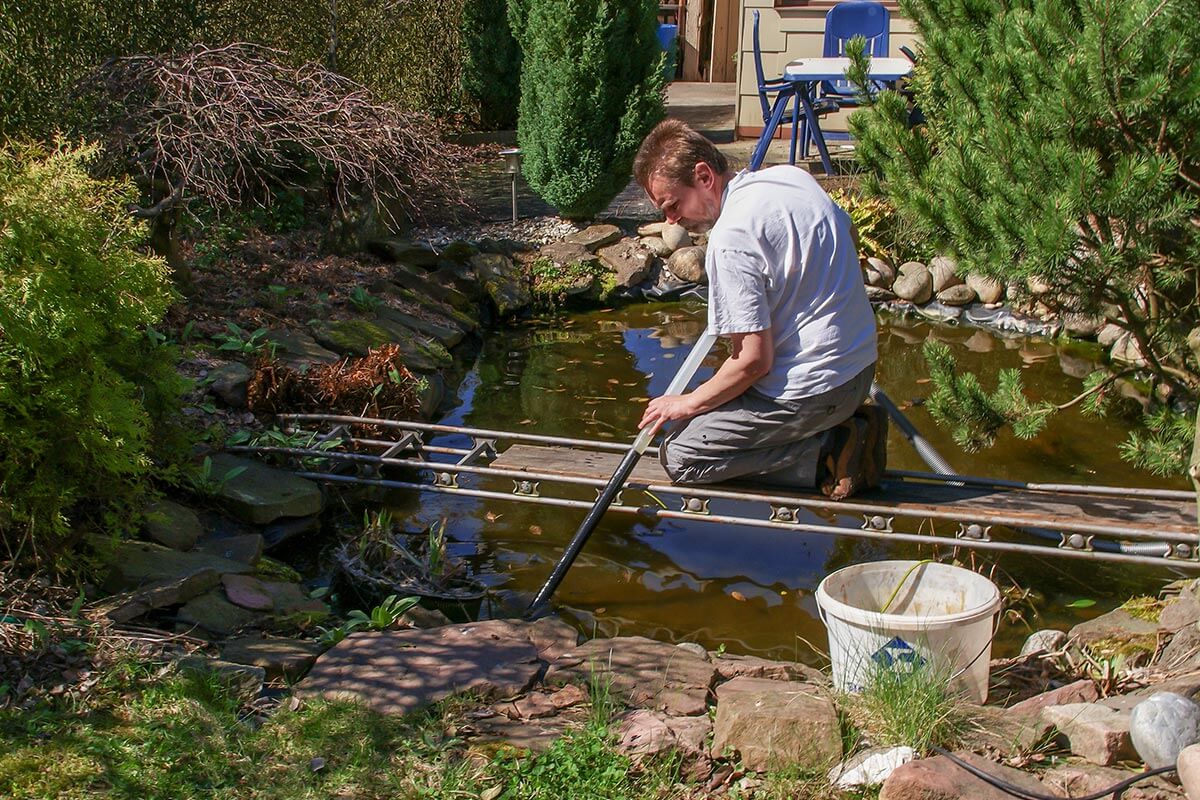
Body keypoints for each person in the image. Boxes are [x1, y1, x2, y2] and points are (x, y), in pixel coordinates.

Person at [631, 119, 885, 499]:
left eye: (672, 204)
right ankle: (841, 424)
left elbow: (753, 363)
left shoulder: (731, 239)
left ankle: (828, 451)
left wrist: (685, 402)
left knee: (681, 455)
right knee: (704, 410)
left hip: (812, 392)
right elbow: (847, 233)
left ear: (703, 176)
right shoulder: (787, 178)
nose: (670, 220)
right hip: (860, 371)